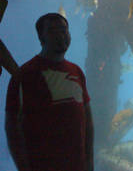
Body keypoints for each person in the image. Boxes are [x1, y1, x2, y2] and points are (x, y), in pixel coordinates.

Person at [5, 13, 94, 171]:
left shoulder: (77, 71)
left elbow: (87, 120)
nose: (61, 35)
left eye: (64, 30)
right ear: (41, 37)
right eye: (53, 31)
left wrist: (89, 162)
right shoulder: (24, 75)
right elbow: (11, 127)